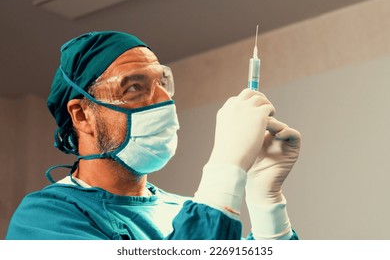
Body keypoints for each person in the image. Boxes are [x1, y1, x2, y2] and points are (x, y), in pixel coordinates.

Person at [6, 31, 301, 240]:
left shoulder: (184, 212)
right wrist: (225, 169)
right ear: (82, 115)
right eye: (134, 87)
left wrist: (267, 204)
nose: (163, 100)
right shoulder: (45, 219)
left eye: (162, 83)